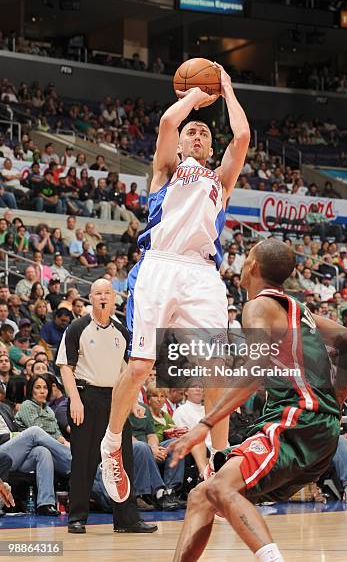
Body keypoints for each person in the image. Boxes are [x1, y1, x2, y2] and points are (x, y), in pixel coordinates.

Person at [100, 63, 250, 502]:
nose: (197, 135)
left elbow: (240, 138)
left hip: (203, 273)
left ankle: (220, 458)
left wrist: (226, 88)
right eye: (192, 132)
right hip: (160, 266)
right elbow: (168, 121)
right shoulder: (167, 170)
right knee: (142, 366)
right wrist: (194, 99)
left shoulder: (220, 181)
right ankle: (112, 445)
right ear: (182, 142)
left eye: (204, 132)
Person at [168, 238, 347, 562]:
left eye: (245, 257)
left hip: (296, 420)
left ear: (253, 266)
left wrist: (204, 423)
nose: (242, 263)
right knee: (203, 495)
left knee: (220, 489)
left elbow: (254, 369)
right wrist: (337, 398)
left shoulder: (257, 306)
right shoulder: (300, 311)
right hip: (318, 429)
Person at [56, 279, 156, 534]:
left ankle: (126, 520)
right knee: (84, 461)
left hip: (115, 401)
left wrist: (134, 402)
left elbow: (130, 373)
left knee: (122, 459)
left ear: (114, 298)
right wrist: (74, 400)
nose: (103, 297)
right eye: (98, 292)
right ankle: (77, 518)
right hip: (85, 397)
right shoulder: (77, 327)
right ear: (91, 298)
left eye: (107, 293)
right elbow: (65, 367)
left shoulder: (122, 332)